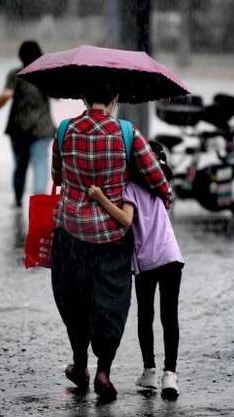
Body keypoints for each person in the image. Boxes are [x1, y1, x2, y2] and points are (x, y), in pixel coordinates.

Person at [50, 84, 172, 402]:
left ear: (83, 98)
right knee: (111, 301)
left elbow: (58, 175)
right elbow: (154, 175)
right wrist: (166, 197)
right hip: (112, 236)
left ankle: (80, 364)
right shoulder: (127, 133)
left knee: (73, 300)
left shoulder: (64, 130)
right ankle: (104, 369)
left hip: (71, 232)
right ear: (115, 100)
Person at [87, 142, 183, 400]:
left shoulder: (130, 188)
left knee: (146, 316)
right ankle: (170, 376)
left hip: (147, 260)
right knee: (169, 316)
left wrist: (99, 197)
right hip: (171, 256)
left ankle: (150, 371)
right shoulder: (162, 187)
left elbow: (126, 218)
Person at [0, 40, 54, 207]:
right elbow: (57, 94)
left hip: (18, 129)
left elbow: (5, 96)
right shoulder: (44, 75)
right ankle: (40, 203)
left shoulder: (16, 74)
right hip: (42, 128)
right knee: (40, 165)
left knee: (20, 166)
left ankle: (18, 199)